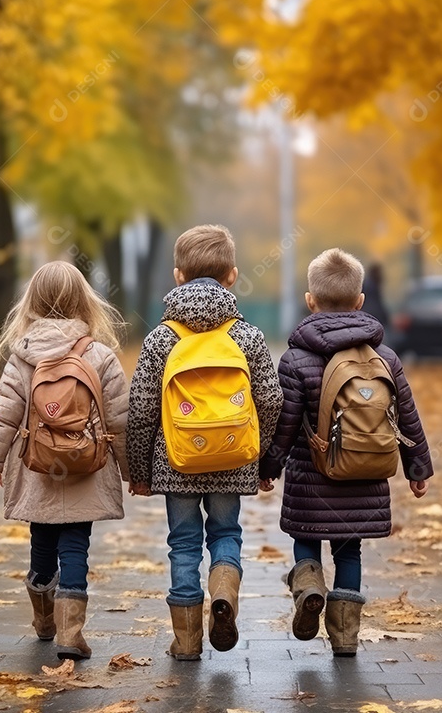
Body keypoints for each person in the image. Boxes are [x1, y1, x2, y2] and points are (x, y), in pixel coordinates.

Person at [260, 248, 433, 657]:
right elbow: (406, 416)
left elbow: (285, 423)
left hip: (311, 478)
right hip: (365, 475)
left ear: (310, 300)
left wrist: (268, 467)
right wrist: (418, 467)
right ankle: (345, 638)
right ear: (360, 301)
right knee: (349, 550)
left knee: (306, 538)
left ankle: (307, 591)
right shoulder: (385, 357)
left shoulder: (296, 359)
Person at [127, 224, 283, 661]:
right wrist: (262, 455)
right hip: (233, 460)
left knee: (182, 544)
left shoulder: (161, 338)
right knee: (226, 533)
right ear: (232, 276)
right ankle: (224, 598)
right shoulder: (247, 337)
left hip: (176, 463)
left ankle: (188, 641)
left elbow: (139, 411)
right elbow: (271, 400)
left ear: (178, 276)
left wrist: (138, 471)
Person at [0, 261, 129, 661]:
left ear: (33, 302)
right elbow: (120, 421)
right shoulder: (100, 355)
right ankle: (70, 634)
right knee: (76, 544)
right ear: (84, 301)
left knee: (41, 540)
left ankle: (45, 618)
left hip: (36, 467)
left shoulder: (22, 356)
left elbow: (4, 415)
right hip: (86, 467)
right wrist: (134, 473)